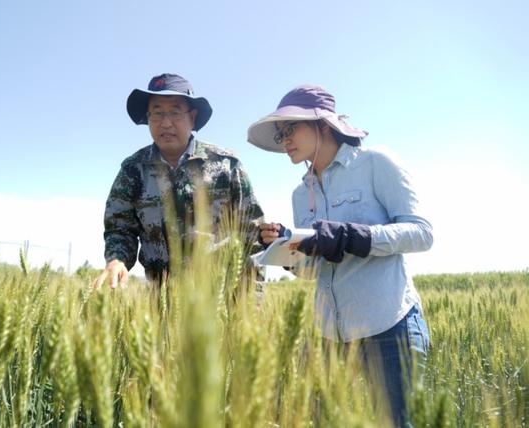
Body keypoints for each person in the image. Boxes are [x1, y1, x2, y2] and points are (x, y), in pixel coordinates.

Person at [248, 85, 433, 426]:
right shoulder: (299, 194)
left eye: (291, 129)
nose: (283, 140)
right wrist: (286, 249)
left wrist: (351, 236)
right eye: (280, 133)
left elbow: (422, 233)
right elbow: (312, 270)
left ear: (322, 125)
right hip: (329, 335)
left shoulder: (375, 163)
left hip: (389, 328)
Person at [94, 73, 264, 288]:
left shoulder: (226, 166)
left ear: (192, 117)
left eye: (175, 112)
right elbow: (119, 228)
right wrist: (117, 260)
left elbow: (251, 235)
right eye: (156, 113)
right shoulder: (132, 170)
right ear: (147, 118)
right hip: (161, 302)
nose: (165, 123)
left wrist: (252, 302)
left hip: (220, 300)